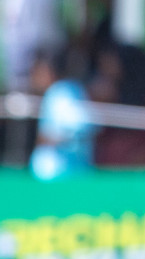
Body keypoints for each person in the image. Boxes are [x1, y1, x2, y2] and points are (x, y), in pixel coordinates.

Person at [28, 47, 93, 180]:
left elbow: (72, 130)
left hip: (60, 171)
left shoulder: (59, 93)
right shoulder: (76, 89)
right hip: (78, 170)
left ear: (49, 70)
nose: (33, 77)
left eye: (38, 71)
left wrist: (46, 140)